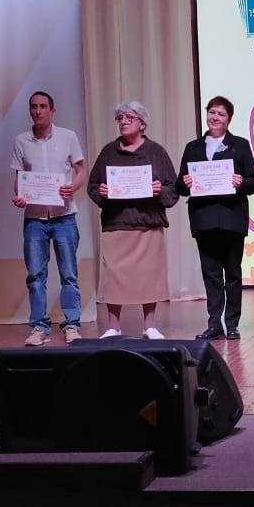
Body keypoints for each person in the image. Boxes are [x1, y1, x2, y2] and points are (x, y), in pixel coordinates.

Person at [87, 101, 179, 339]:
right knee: (114, 278)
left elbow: (173, 188)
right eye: (120, 118)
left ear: (142, 123)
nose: (123, 122)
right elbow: (93, 185)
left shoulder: (156, 152)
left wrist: (159, 190)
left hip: (148, 223)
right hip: (116, 223)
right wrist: (102, 192)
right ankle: (113, 327)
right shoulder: (108, 152)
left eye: (129, 117)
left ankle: (149, 326)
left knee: (149, 276)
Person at [178, 95, 254, 340]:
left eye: (221, 114)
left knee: (233, 273)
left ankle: (232, 323)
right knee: (211, 274)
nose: (215, 117)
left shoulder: (240, 145)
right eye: (212, 112)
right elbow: (179, 185)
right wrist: (186, 182)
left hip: (232, 218)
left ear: (229, 119)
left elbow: (253, 182)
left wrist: (241, 182)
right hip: (203, 219)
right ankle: (214, 324)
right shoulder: (193, 147)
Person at [10, 91, 86, 346]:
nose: (38, 110)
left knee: (69, 274)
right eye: (34, 106)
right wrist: (20, 196)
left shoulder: (68, 137)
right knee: (35, 275)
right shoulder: (21, 141)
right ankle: (39, 326)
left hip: (64, 216)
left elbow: (80, 171)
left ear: (52, 111)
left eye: (43, 106)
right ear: (30, 110)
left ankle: (72, 324)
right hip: (34, 218)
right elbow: (19, 178)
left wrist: (72, 187)